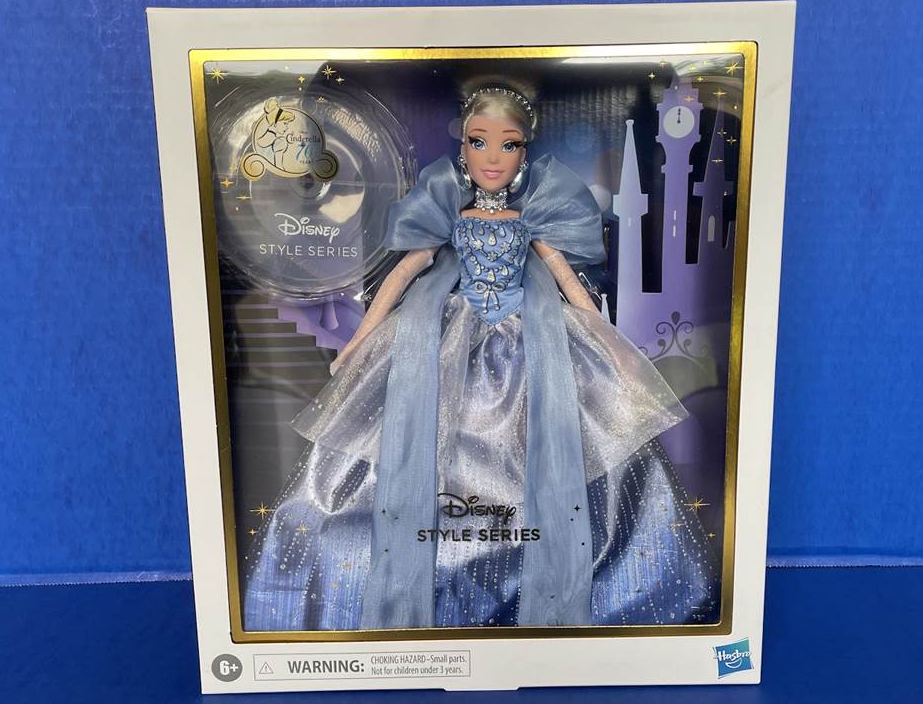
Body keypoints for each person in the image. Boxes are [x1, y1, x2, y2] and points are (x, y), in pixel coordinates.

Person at [243, 84, 720, 630]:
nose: (493, 157)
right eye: (479, 141)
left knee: (564, 439)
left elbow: (567, 282)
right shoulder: (447, 214)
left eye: (509, 144)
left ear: (524, 152)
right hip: (447, 343)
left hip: (532, 343)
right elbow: (401, 275)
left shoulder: (530, 219)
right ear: (463, 148)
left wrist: (610, 343)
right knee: (413, 440)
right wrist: (358, 344)